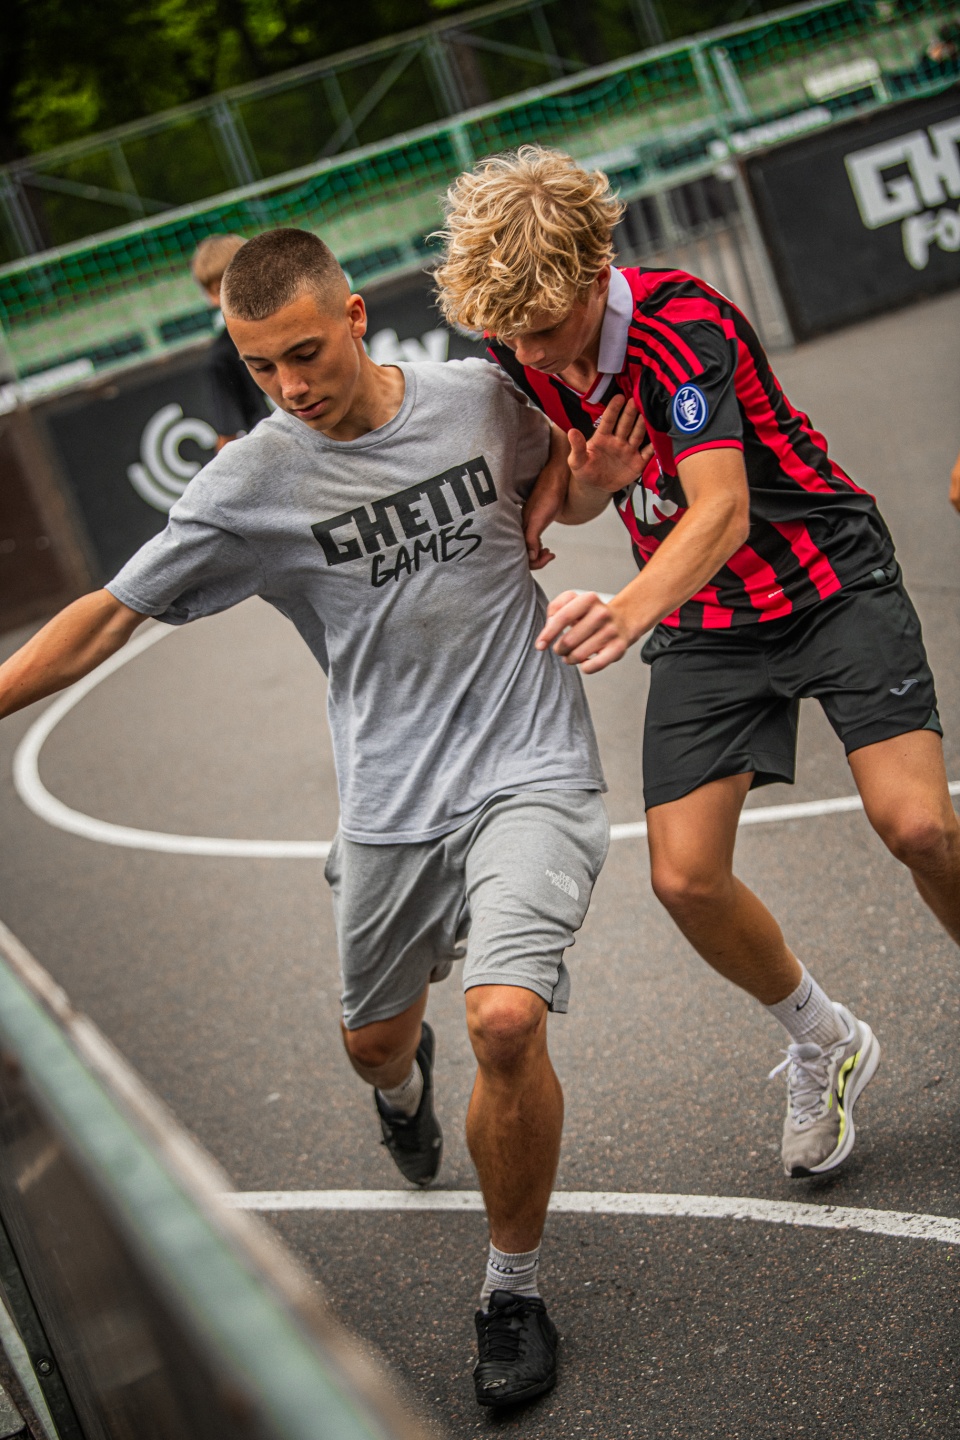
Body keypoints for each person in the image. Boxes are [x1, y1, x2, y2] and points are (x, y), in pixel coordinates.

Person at [0, 227, 611, 1409]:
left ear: (356, 317)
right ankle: (399, 1086)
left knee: (504, 1019)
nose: (289, 385)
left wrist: (587, 489)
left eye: (304, 353)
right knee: (373, 1042)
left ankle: (512, 1291)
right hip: (390, 798)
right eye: (260, 366)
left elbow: (564, 483)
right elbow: (107, 615)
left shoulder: (479, 399)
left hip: (531, 759)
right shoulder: (254, 480)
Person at [434, 145, 960, 1179]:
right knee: (684, 877)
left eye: (546, 329)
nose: (532, 356)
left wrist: (627, 609)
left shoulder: (682, 326)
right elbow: (592, 491)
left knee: (919, 827)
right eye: (513, 336)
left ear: (597, 274)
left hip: (826, 579)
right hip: (711, 620)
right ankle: (823, 1038)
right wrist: (586, 485)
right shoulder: (521, 344)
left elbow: (721, 509)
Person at [190, 234, 271, 450]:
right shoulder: (220, 359)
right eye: (218, 288)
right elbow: (228, 439)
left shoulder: (294, 318)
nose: (229, 293)